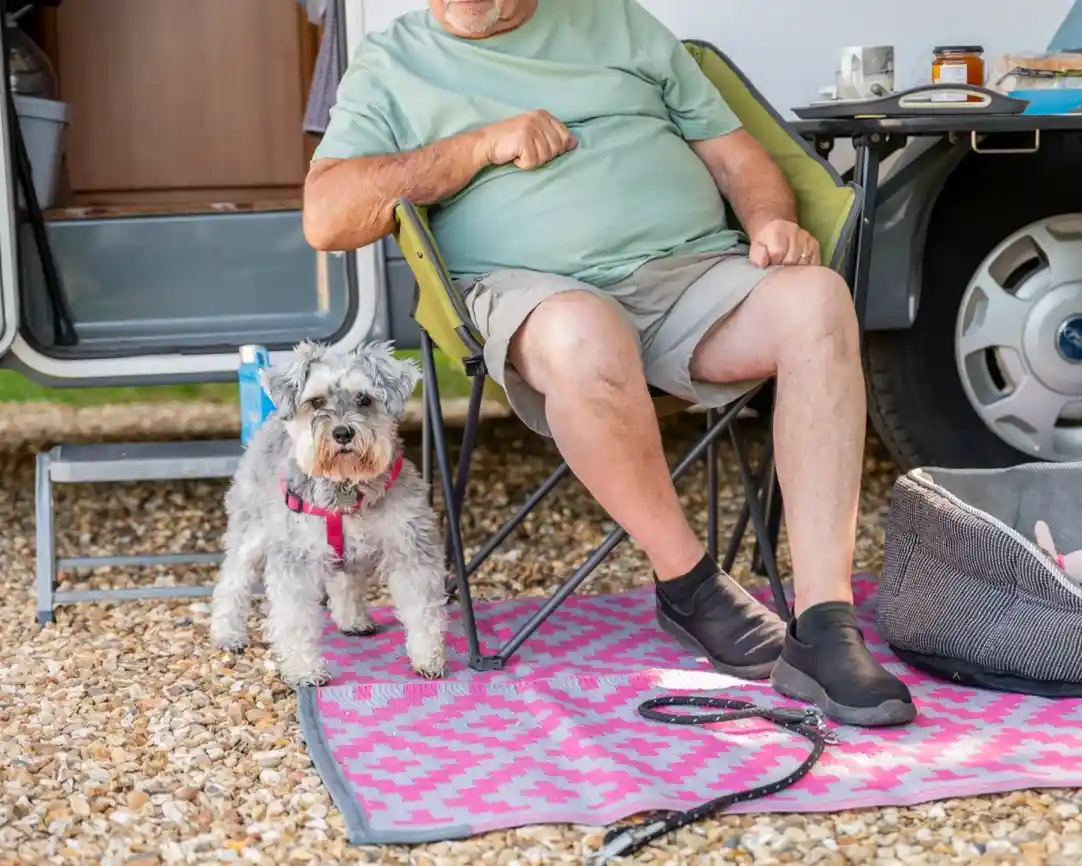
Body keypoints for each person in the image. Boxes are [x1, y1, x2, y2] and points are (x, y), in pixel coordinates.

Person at [302, 0, 916, 727]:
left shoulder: (620, 22)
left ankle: (824, 627)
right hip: (533, 291)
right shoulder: (394, 61)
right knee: (583, 334)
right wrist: (475, 148)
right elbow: (327, 214)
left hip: (690, 274)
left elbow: (734, 153)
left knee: (817, 302)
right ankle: (689, 583)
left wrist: (768, 220)